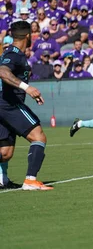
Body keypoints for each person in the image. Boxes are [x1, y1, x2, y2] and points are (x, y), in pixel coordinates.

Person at [0, 21, 52, 190]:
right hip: (7, 102)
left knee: (5, 153)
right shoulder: (13, 53)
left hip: (5, 103)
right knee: (39, 136)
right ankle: (30, 180)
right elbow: (2, 71)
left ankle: (7, 180)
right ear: (28, 36)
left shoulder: (16, 53)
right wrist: (27, 88)